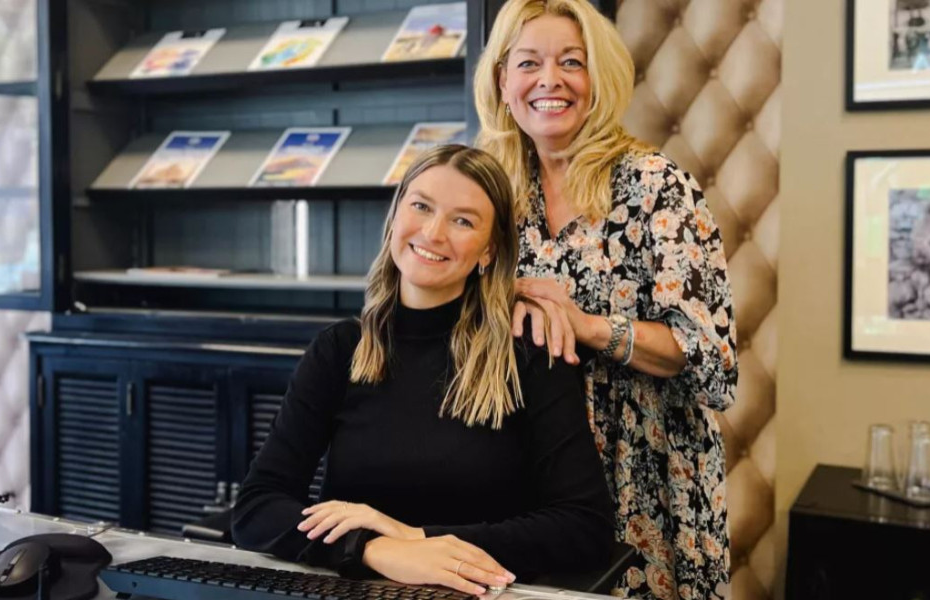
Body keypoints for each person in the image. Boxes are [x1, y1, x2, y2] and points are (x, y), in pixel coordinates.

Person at [232, 144, 615, 597]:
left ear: (488, 251)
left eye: (462, 220)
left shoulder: (528, 354)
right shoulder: (340, 350)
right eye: (421, 206)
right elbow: (257, 507)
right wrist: (372, 549)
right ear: (396, 215)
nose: (433, 233)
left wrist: (416, 537)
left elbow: (584, 526)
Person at [473, 1, 739, 598]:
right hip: (523, 475)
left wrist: (585, 326)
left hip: (644, 474)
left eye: (573, 62)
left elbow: (710, 360)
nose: (550, 80)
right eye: (528, 63)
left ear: (601, 77)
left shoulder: (655, 185)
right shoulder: (490, 189)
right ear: (501, 80)